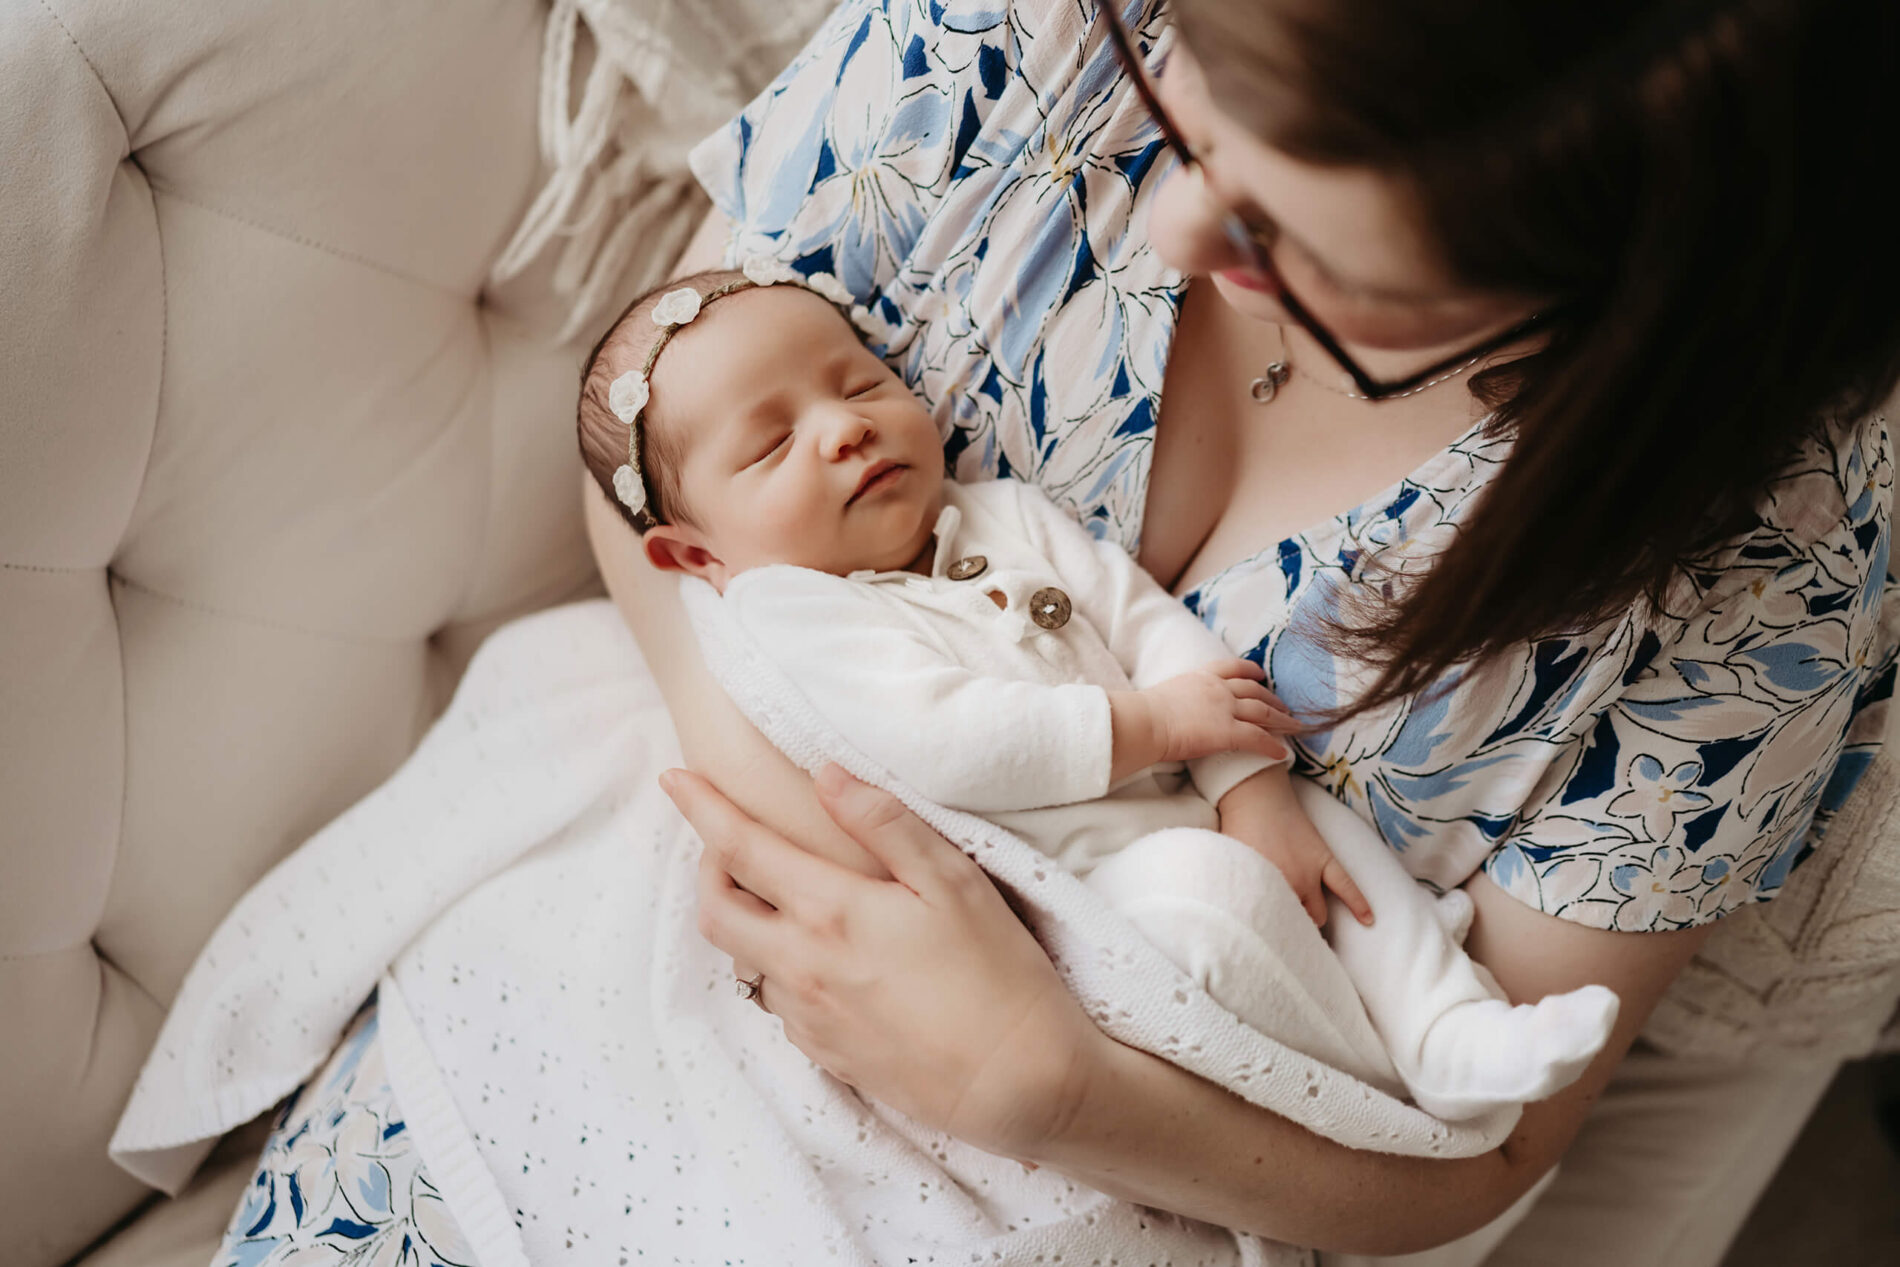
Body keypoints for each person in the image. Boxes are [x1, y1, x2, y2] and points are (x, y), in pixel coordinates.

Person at [590, 0, 1900, 1261]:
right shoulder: (1032, 28)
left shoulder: (1759, 559)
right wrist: (815, 806)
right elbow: (639, 460)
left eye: (1305, 251)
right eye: (1195, 103)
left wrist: (1041, 1084)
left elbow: (1484, 1146)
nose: (1172, 222)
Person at [577, 263, 1623, 1121]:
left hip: (1182, 786)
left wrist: (1243, 781)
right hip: (1080, 895)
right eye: (771, 443)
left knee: (1320, 835)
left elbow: (1146, 624)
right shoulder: (792, 611)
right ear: (695, 553)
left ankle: (1445, 1024)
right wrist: (1155, 724)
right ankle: (1360, 1079)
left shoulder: (1005, 515)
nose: (841, 429)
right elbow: (939, 743)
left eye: (857, 385)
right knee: (1204, 909)